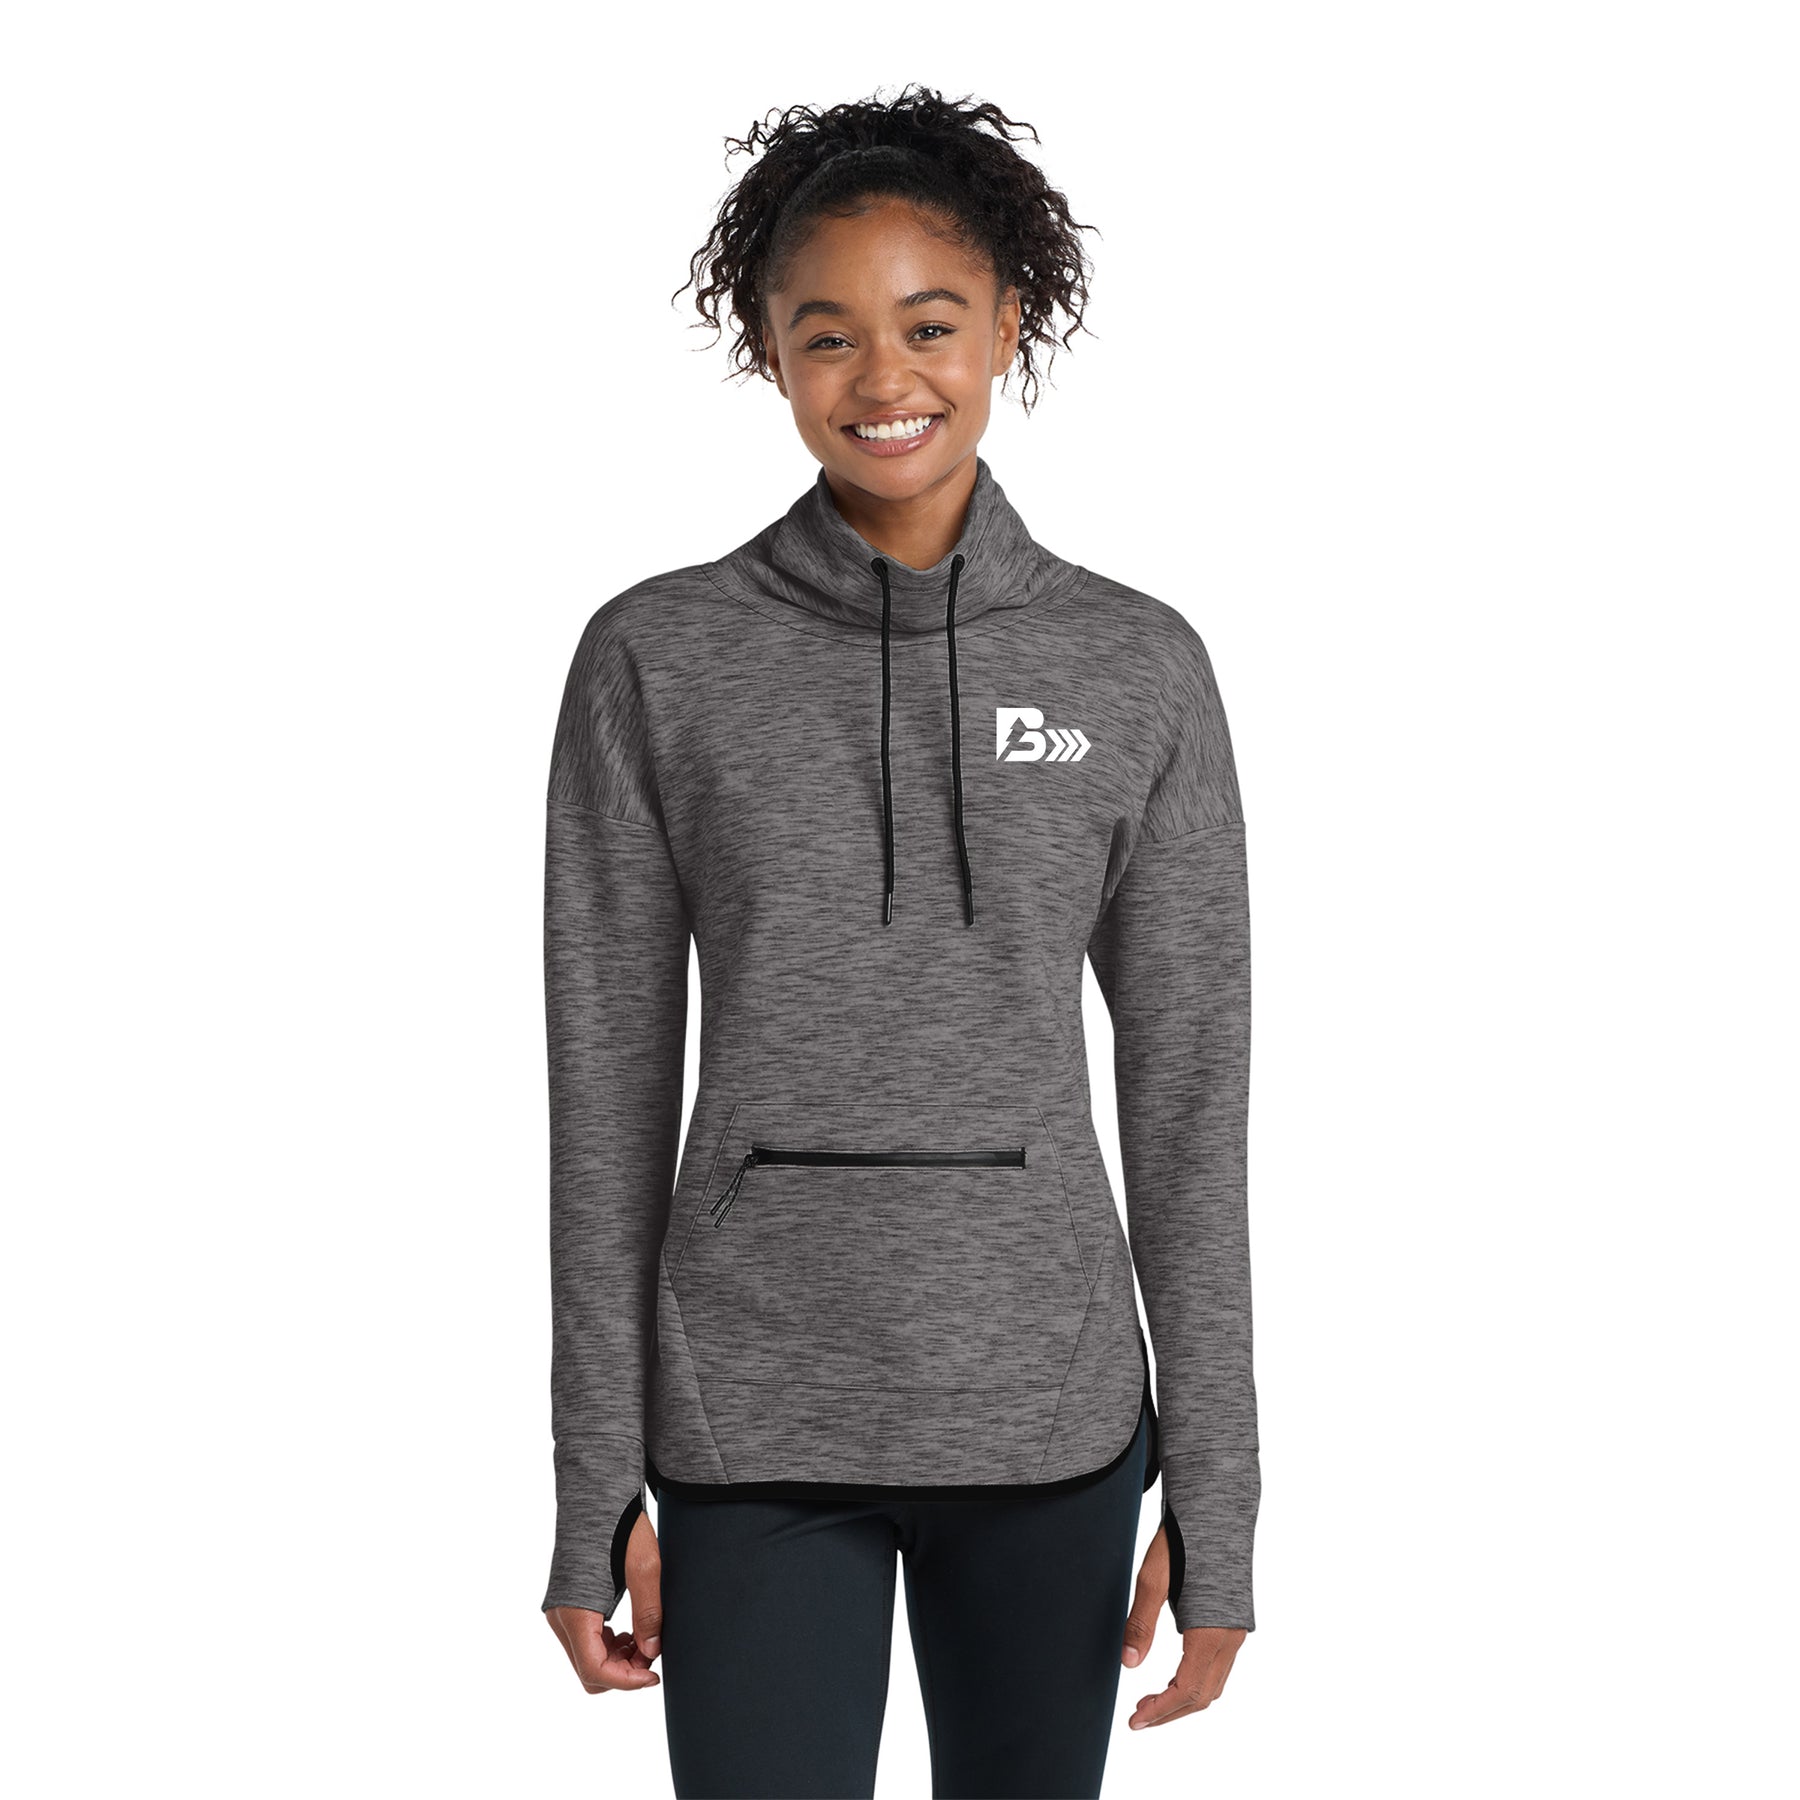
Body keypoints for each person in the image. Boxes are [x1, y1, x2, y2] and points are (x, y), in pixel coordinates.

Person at [539, 84, 1260, 1799]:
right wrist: (590, 1492)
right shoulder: (657, 661)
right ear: (768, 352)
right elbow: (604, 1098)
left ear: (1010, 323)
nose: (885, 378)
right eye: (829, 334)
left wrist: (1220, 1503)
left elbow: (1192, 1101)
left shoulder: (1134, 668)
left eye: (930, 325)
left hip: (1048, 1414)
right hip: (749, 1412)